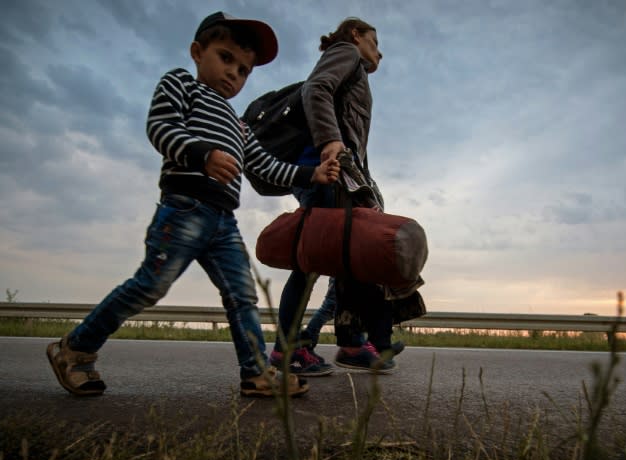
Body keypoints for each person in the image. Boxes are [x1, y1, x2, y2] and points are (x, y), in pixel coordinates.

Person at [46, 11, 341, 398]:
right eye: (225, 57)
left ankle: (256, 373)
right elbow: (161, 127)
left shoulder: (238, 124)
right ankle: (75, 349)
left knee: (243, 296)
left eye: (244, 69)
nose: (234, 73)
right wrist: (203, 155)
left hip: (223, 222)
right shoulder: (181, 84)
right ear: (198, 52)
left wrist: (311, 175)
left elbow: (266, 166)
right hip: (184, 208)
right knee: (150, 286)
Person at [270, 17, 407, 375]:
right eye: (375, 42)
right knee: (312, 260)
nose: (380, 51)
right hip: (324, 169)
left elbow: (355, 143)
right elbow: (316, 89)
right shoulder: (345, 52)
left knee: (347, 261)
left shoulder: (355, 69)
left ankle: (350, 343)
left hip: (341, 174)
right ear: (355, 35)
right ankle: (287, 350)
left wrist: (367, 189)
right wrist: (330, 141)